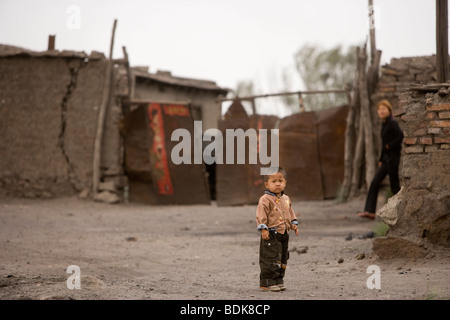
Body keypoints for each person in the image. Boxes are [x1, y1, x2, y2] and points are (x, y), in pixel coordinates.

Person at [358, 99, 404, 220]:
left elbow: (401, 136)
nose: (381, 111)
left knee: (395, 186)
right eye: (379, 109)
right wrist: (380, 159)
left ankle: (402, 210)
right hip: (385, 160)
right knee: (374, 182)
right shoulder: (384, 124)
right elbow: (384, 144)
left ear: (389, 110)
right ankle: (370, 211)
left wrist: (390, 146)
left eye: (384, 109)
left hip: (393, 158)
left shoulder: (393, 123)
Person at [256, 167, 299, 292]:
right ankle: (268, 282)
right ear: (266, 184)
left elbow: (290, 212)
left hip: (284, 233)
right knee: (270, 257)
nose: (277, 183)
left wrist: (293, 223)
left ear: (285, 183)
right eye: (273, 181)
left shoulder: (286, 199)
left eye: (280, 180)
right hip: (271, 233)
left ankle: (279, 279)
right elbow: (261, 214)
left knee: (282, 256)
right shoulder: (265, 199)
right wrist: (263, 229)